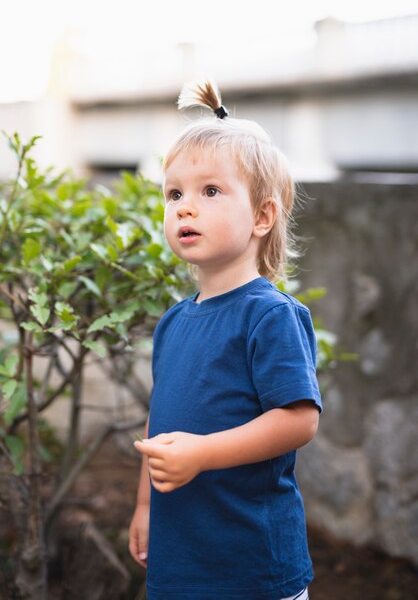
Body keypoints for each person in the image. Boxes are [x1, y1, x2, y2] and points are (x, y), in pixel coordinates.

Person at [129, 79, 322, 600]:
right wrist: (145, 505)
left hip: (251, 564)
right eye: (175, 194)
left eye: (210, 191)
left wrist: (204, 453)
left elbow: (299, 419)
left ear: (262, 216)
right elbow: (160, 418)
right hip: (180, 557)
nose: (185, 208)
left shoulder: (270, 316)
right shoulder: (174, 321)